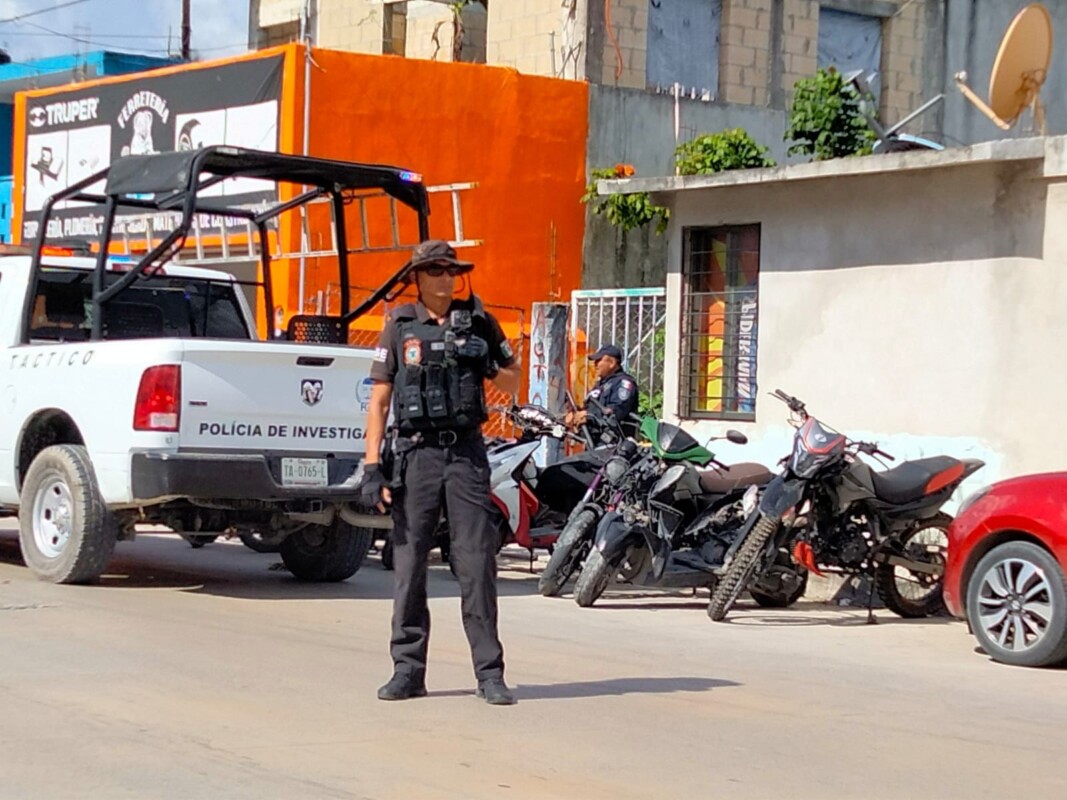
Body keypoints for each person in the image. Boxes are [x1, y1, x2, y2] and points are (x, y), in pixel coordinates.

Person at [358, 239, 522, 706]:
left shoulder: (480, 321)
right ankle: (407, 671)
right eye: (435, 271)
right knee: (409, 567)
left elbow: (513, 379)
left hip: (466, 455)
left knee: (476, 564)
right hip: (416, 455)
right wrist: (372, 466)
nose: (446, 279)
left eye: (451, 270)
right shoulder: (400, 325)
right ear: (418, 277)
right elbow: (380, 400)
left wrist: (485, 362)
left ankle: (489, 674)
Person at [570, 344, 640, 438]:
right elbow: (589, 408)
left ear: (611, 363)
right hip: (594, 444)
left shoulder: (623, 383)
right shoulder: (600, 385)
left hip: (614, 446)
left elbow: (616, 411)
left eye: (599, 360)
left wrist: (588, 416)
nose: (595, 364)